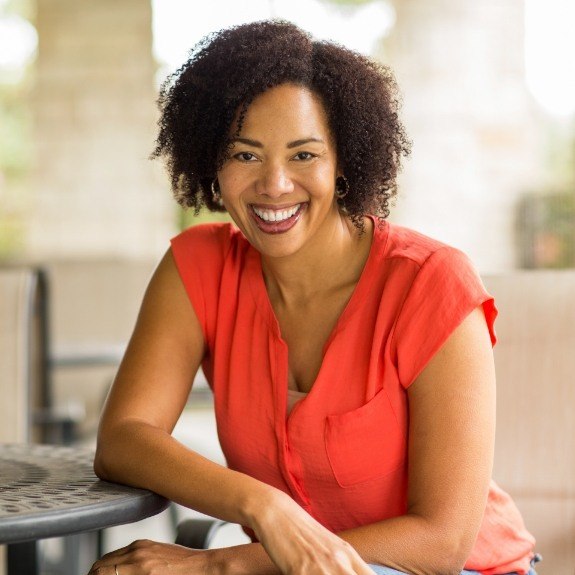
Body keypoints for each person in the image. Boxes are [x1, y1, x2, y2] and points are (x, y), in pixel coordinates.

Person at [88, 20, 538, 575]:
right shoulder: (198, 267)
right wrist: (264, 506)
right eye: (245, 155)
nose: (274, 184)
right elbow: (124, 438)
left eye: (303, 155)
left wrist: (220, 564)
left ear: (343, 160)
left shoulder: (431, 284)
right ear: (211, 162)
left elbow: (441, 543)